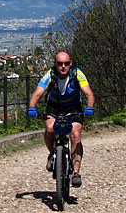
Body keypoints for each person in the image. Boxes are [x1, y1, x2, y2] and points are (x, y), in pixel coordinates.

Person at [27, 51, 95, 187]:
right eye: (60, 63)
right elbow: (37, 93)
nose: (63, 66)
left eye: (66, 63)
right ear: (55, 64)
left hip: (73, 107)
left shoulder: (77, 74)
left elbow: (89, 94)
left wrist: (89, 107)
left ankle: (76, 173)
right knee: (50, 129)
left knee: (75, 135)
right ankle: (52, 154)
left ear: (70, 63)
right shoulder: (50, 75)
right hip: (54, 107)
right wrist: (32, 107)